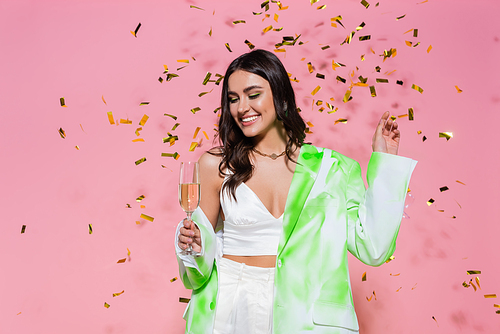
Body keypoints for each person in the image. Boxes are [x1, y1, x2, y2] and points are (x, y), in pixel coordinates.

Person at [174, 49, 417, 334]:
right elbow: (195, 274)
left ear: (281, 96)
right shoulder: (216, 165)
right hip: (228, 312)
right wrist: (192, 245)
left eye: (253, 95)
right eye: (233, 99)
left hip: (304, 317)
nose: (241, 108)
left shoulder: (333, 169)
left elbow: (374, 248)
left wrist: (385, 163)